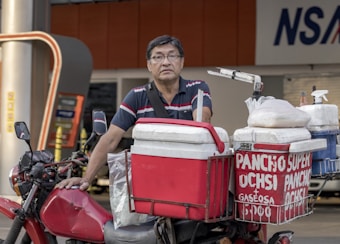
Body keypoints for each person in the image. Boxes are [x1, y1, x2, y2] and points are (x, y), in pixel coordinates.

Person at [57, 34, 213, 190]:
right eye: (158, 57)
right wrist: (86, 178)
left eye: (172, 56)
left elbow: (202, 123)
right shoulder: (137, 96)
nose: (166, 62)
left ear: (182, 62)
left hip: (188, 176)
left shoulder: (197, 88)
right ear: (149, 65)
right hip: (150, 181)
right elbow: (110, 139)